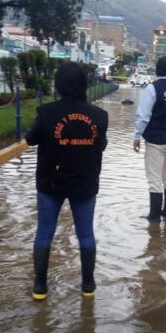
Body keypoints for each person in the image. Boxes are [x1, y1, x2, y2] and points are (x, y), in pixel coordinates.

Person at [26, 62, 108, 300]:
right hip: (84, 183)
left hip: (51, 183)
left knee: (44, 233)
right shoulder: (100, 116)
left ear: (58, 84)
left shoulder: (46, 112)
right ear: (84, 84)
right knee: (85, 234)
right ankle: (88, 286)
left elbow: (30, 140)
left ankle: (40, 288)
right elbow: (100, 146)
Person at [133, 57, 166, 221]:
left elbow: (143, 116)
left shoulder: (153, 88)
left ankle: (154, 217)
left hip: (156, 141)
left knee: (155, 179)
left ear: (157, 70)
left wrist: (136, 136)